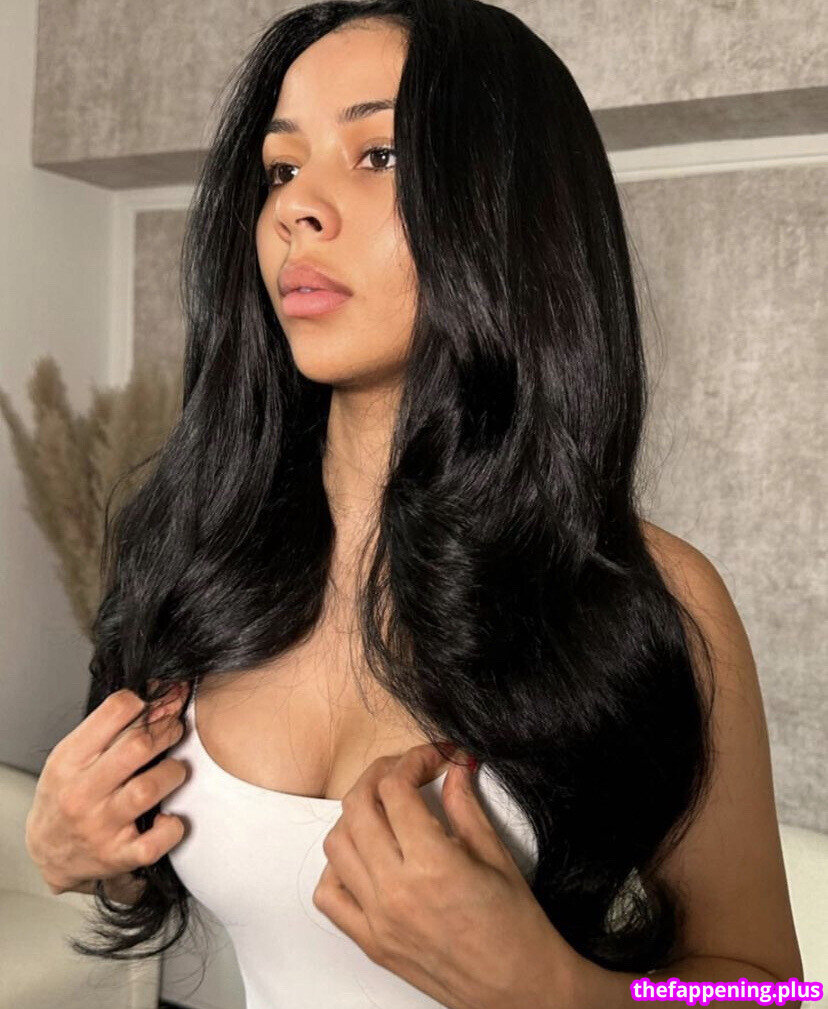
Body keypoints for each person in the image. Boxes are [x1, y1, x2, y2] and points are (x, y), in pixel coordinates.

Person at [25, 0, 803, 1006]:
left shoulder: (653, 596)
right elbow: (155, 859)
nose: (297, 209)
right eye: (281, 169)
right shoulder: (197, 549)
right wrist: (85, 851)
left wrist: (557, 989)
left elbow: (769, 993)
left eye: (379, 155)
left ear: (510, 208)